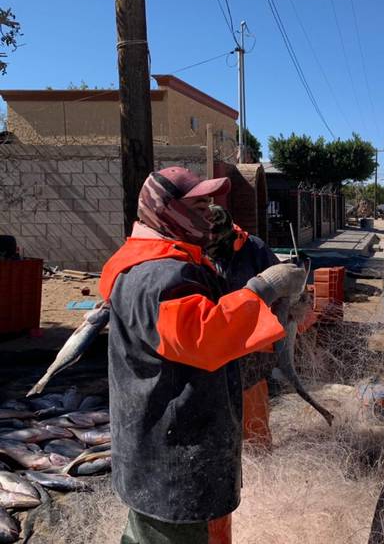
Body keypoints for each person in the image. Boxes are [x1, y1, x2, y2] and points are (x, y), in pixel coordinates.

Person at [99, 167, 305, 544]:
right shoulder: (157, 276)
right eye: (197, 204)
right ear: (167, 210)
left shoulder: (172, 259)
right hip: (172, 466)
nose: (209, 212)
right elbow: (204, 338)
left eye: (210, 202)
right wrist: (263, 289)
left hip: (179, 459)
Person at [206, 204, 280, 449]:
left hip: (250, 341)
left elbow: (279, 281)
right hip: (213, 339)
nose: (214, 242)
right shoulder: (197, 249)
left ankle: (258, 454)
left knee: (252, 400)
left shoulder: (253, 248)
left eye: (218, 237)